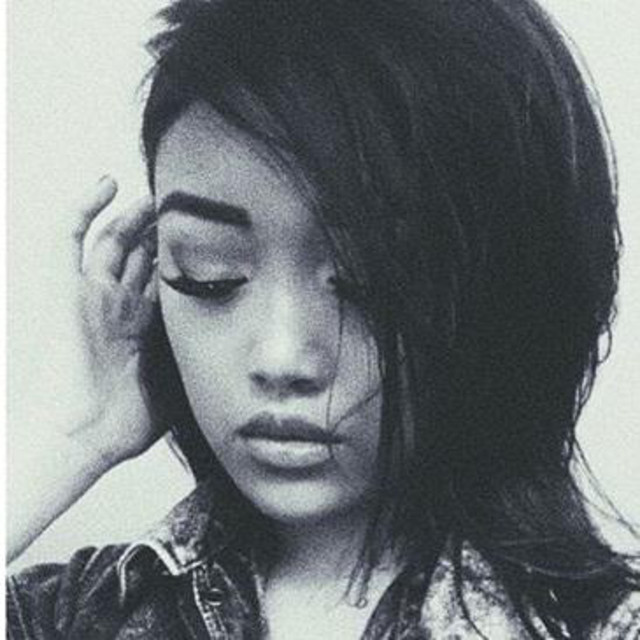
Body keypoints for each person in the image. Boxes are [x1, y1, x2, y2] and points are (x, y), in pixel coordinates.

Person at [7, 0, 640, 637]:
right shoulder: (76, 615)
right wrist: (69, 434)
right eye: (208, 272)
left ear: (510, 286)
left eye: (371, 279)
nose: (281, 358)